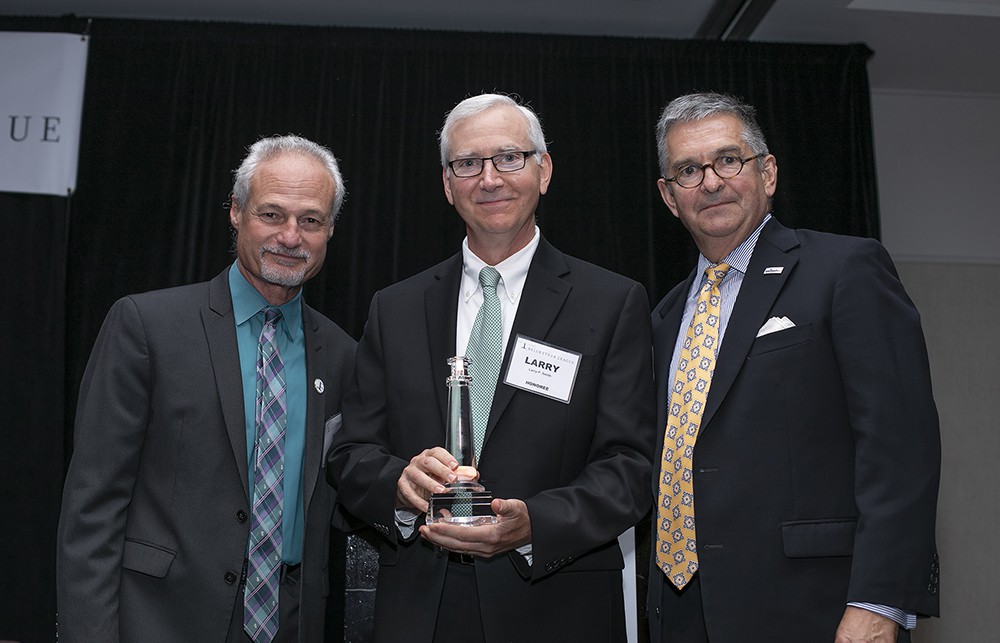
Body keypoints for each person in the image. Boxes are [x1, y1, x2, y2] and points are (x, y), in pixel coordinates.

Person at [327, 93, 656, 642]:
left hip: (554, 604)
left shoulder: (611, 303)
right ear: (447, 184)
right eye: (468, 164)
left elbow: (631, 466)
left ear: (543, 170)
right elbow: (351, 454)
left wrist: (535, 525)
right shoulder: (395, 308)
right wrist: (400, 484)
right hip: (420, 610)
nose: (489, 179)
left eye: (509, 158)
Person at [646, 92, 941, 642]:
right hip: (682, 613)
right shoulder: (663, 318)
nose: (710, 182)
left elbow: (901, 448)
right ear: (668, 196)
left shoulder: (845, 269)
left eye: (728, 160)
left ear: (769, 172)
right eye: (688, 170)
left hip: (817, 610)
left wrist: (879, 602)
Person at [56, 135, 357, 643]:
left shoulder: (345, 355)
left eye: (310, 220)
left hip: (287, 626)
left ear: (329, 230)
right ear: (236, 213)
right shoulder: (148, 326)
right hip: (157, 621)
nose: (290, 236)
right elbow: (93, 504)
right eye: (272, 214)